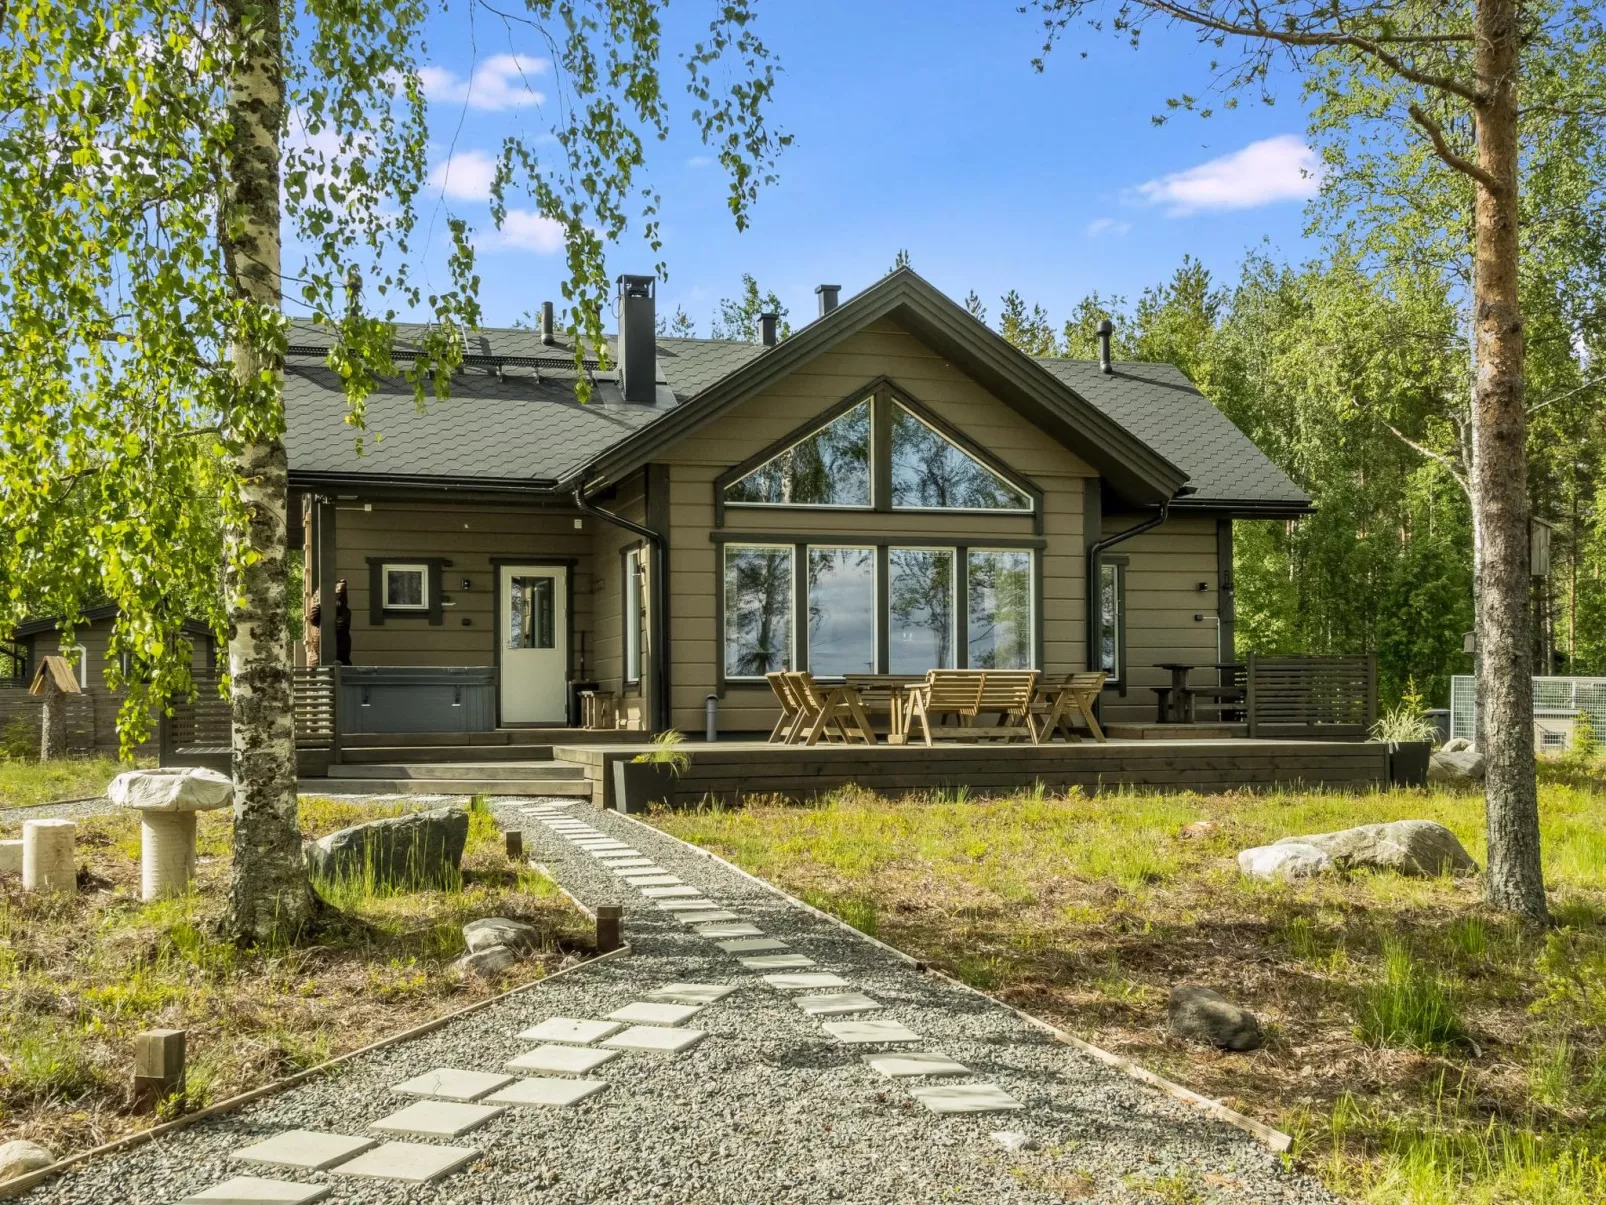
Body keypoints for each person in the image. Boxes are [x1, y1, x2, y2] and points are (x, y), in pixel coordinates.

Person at [306, 578, 354, 666]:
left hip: (340, 645)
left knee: (342, 659)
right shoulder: (319, 596)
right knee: (318, 661)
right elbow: (314, 619)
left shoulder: (344, 610)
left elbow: (344, 624)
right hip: (321, 643)